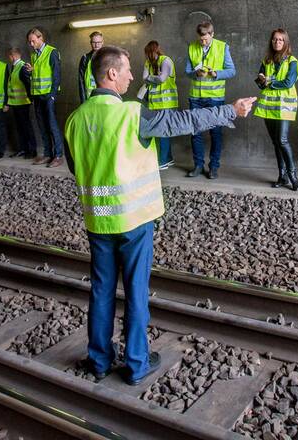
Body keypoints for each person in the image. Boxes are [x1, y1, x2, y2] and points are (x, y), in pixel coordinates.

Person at [63, 45, 255, 384]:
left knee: (101, 289)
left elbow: (77, 168)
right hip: (134, 222)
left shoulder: (74, 120)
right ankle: (136, 362)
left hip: (97, 221)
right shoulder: (131, 113)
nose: (132, 76)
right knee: (136, 291)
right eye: (126, 70)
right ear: (111, 74)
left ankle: (99, 359)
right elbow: (184, 120)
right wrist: (230, 111)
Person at [184, 21, 236, 179]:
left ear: (212, 34)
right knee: (195, 132)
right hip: (196, 97)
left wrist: (216, 74)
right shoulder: (192, 47)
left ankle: (213, 167)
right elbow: (187, 71)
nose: (202, 41)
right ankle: (198, 165)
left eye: (205, 38)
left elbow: (232, 71)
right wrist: (195, 73)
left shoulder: (222, 47)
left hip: (215, 98)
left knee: (216, 133)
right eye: (200, 39)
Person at [254, 28, 298, 190]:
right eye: (275, 39)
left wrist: (269, 83)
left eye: (281, 40)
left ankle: (292, 175)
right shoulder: (266, 60)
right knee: (276, 142)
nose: (277, 42)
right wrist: (261, 80)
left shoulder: (292, 61)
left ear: (286, 42)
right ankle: (282, 177)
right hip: (269, 107)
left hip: (284, 107)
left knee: (282, 140)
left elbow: (289, 82)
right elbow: (260, 82)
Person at [23, 27, 63, 167]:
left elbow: (56, 75)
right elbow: (40, 73)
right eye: (29, 42)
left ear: (41, 38)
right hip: (38, 96)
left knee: (52, 126)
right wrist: (31, 71)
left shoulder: (52, 52)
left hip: (48, 96)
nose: (31, 44)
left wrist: (52, 95)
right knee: (42, 126)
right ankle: (47, 154)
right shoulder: (34, 55)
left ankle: (58, 155)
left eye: (33, 41)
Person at [142, 41, 177, 169]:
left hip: (167, 103)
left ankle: (162, 162)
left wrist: (150, 77)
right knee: (161, 132)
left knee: (163, 132)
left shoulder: (166, 61)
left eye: (149, 53)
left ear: (155, 51)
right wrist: (154, 77)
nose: (148, 56)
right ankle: (168, 159)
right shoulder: (148, 63)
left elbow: (162, 79)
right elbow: (143, 77)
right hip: (154, 103)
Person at [4, 47, 36, 158]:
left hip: (23, 103)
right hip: (16, 103)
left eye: (9, 56)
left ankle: (32, 151)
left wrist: (31, 99)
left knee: (26, 127)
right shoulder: (14, 67)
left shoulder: (22, 67)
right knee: (20, 127)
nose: (8, 58)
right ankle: (23, 149)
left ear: (13, 56)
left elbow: (28, 84)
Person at [77, 32, 104, 103]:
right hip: (89, 97)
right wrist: (83, 100)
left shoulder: (108, 58)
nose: (96, 44)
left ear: (102, 42)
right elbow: (81, 80)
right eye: (94, 42)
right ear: (90, 43)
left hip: (104, 96)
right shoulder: (85, 58)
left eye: (99, 42)